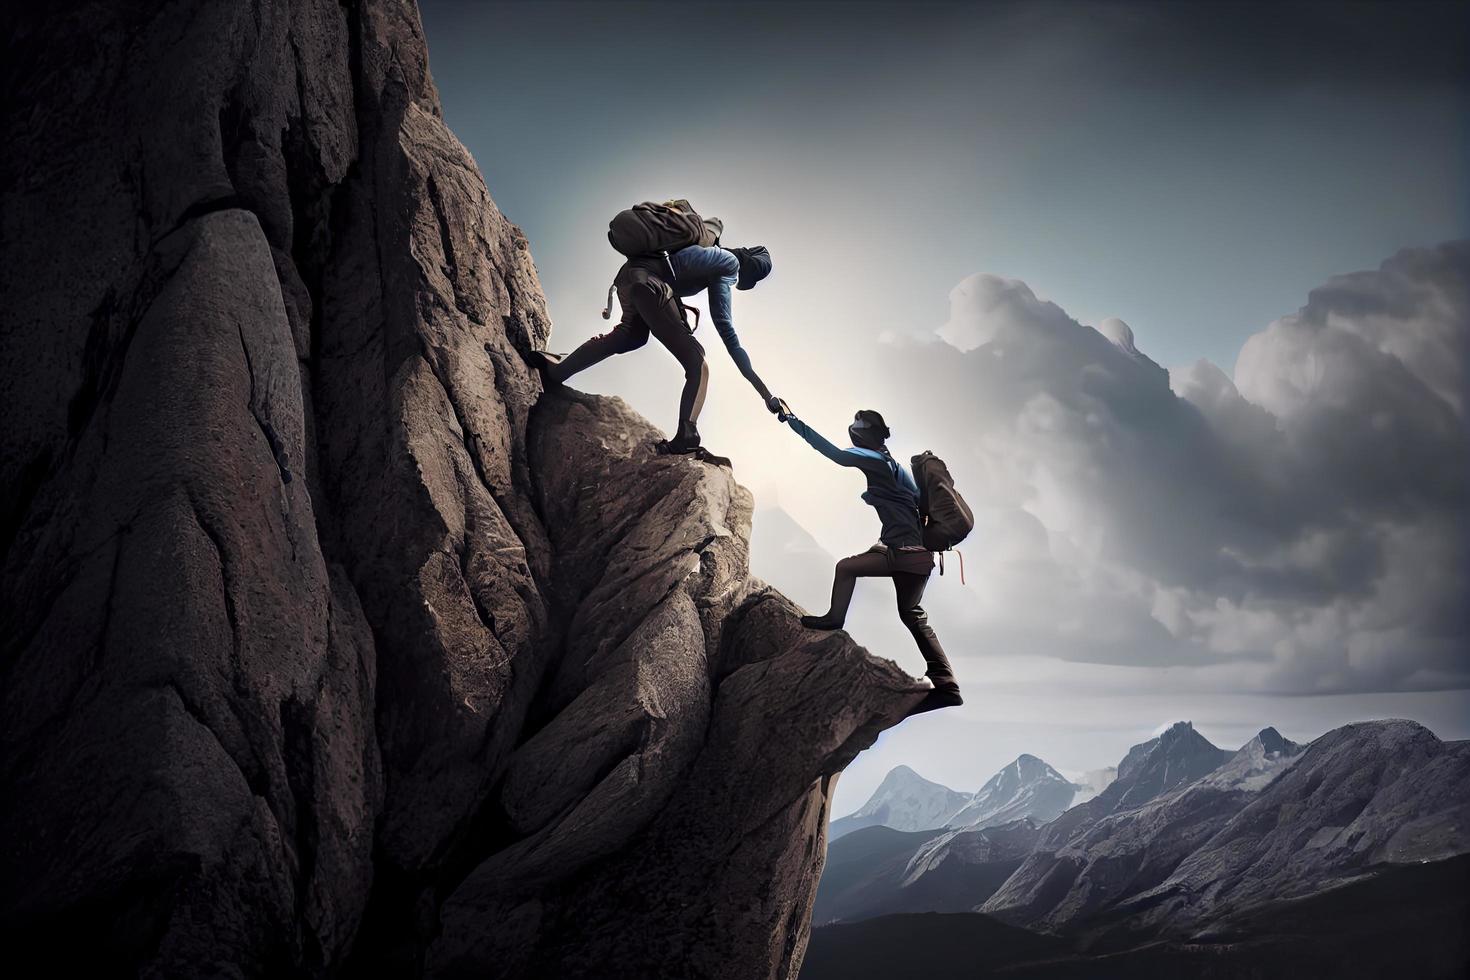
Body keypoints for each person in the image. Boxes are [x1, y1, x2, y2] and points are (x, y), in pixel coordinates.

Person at [781, 407, 964, 713]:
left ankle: (834, 618)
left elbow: (837, 455)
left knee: (846, 567)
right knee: (912, 613)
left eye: (857, 424)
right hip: (920, 558)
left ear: (867, 432)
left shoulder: (876, 461)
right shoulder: (898, 468)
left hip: (903, 557)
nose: (852, 427)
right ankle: (948, 685)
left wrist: (791, 420)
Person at [528, 236, 778, 456]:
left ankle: (557, 369)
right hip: (650, 285)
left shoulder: (707, 249)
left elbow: (678, 268)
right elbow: (726, 330)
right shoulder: (730, 264)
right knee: (697, 363)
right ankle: (687, 437)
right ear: (749, 270)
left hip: (629, 277)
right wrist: (765, 393)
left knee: (632, 336)